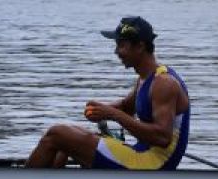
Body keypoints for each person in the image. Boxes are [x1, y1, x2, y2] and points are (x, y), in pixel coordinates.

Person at [26, 16, 190, 169]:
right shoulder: (146, 79)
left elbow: (162, 138)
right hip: (142, 153)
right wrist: (101, 110)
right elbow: (126, 107)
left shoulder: (164, 83)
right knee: (68, 140)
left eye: (121, 45)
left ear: (140, 46)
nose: (116, 52)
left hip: (154, 163)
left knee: (57, 134)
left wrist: (112, 114)